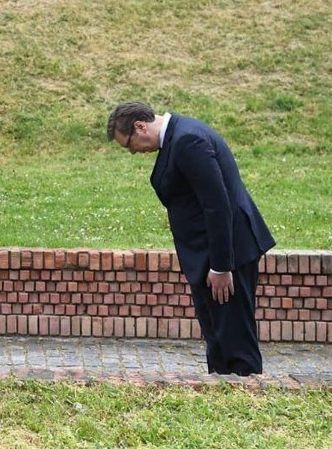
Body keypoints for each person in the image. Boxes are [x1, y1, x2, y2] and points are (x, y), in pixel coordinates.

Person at [107, 101, 275, 376]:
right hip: (210, 256)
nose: (133, 152)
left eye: (129, 144)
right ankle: (222, 394)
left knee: (235, 342)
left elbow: (217, 204)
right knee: (219, 339)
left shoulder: (187, 140)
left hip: (226, 255)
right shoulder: (179, 135)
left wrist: (221, 266)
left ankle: (246, 399)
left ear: (140, 126)